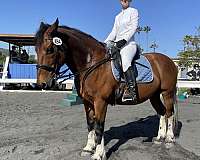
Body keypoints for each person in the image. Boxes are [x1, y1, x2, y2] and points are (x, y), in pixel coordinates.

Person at [104, 0, 139, 100]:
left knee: (125, 61)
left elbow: (134, 28)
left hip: (129, 45)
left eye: (127, 0)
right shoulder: (117, 16)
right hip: (117, 45)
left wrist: (124, 40)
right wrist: (105, 43)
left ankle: (132, 91)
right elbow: (113, 32)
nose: (125, 1)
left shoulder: (133, 11)